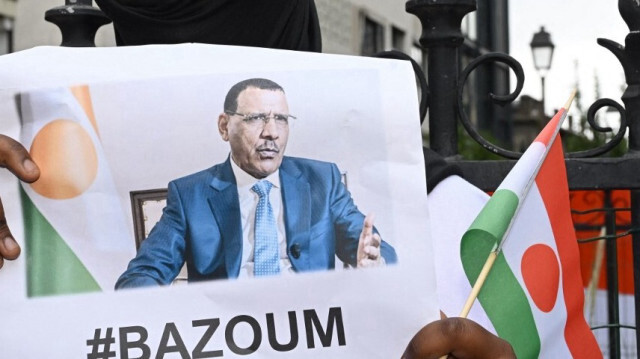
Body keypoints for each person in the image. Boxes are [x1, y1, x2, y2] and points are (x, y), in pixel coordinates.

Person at [115, 77, 397, 288]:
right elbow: (141, 276)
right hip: (229, 332)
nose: (272, 133)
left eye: (282, 120)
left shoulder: (322, 181)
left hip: (311, 330)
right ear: (225, 127)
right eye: (256, 119)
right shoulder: (191, 195)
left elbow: (374, 249)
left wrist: (376, 261)